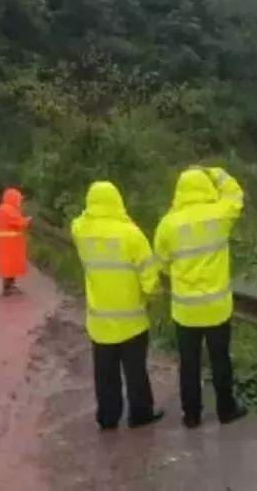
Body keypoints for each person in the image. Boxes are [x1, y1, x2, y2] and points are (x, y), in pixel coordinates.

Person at [155, 168, 246, 428]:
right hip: (217, 307)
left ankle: (191, 415)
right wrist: (216, 173)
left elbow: (160, 265)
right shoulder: (219, 214)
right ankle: (226, 409)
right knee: (220, 359)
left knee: (189, 364)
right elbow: (235, 194)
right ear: (206, 187)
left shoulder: (168, 224)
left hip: (186, 310)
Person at [70, 181, 164, 431]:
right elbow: (149, 278)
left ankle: (108, 417)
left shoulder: (81, 231)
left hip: (100, 321)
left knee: (104, 373)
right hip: (131, 319)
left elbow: (78, 220)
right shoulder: (131, 234)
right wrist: (153, 296)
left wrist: (90, 214)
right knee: (135, 371)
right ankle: (140, 414)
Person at [0, 188, 31, 296]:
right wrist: (27, 220)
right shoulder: (9, 210)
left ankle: (8, 287)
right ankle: (9, 288)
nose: (20, 202)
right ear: (13, 198)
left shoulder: (0, 209)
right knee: (10, 266)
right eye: (18, 199)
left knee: (6, 266)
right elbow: (19, 222)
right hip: (11, 245)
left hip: (4, 244)